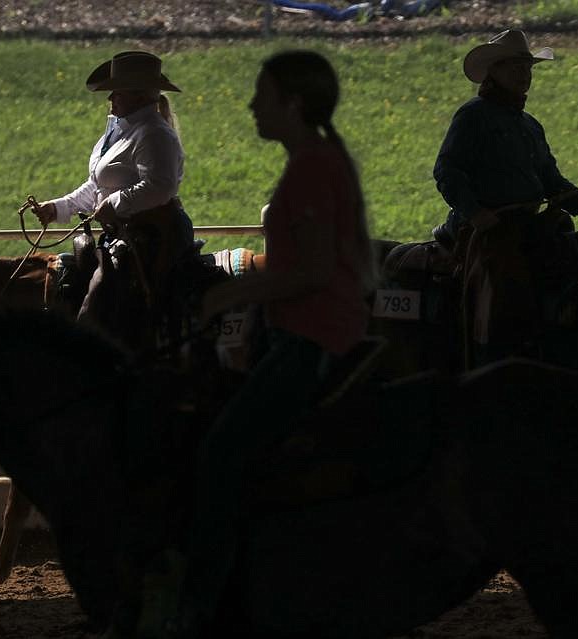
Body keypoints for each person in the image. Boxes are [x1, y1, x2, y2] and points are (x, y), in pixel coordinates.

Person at [136, 50, 374, 638]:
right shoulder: (318, 159)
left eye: (261, 95)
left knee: (221, 453)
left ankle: (201, 604)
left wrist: (232, 296)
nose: (250, 105)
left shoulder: (312, 168)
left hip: (313, 336)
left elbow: (315, 270)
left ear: (292, 105)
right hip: (311, 327)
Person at [30, 50, 194, 348]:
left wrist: (116, 203)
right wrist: (58, 207)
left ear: (139, 95)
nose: (110, 99)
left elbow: (161, 187)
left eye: (116, 92)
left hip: (153, 236)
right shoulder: (121, 131)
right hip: (124, 235)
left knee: (103, 293)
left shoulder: (154, 134)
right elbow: (96, 186)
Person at [431, 29, 578, 249]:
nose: (525, 73)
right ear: (494, 71)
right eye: (516, 66)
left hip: (524, 223)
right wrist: (475, 213)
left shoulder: (531, 125)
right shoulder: (473, 114)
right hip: (485, 225)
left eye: (527, 67)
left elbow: (551, 181)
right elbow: (447, 169)